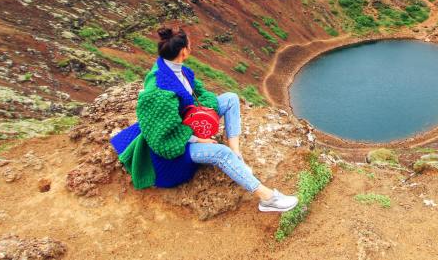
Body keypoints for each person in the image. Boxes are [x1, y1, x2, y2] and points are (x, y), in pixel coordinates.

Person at [110, 27, 298, 212]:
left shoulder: (179, 71)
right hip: (177, 149)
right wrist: (198, 138)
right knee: (221, 153)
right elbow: (162, 140)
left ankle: (237, 155)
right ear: (183, 51)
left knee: (231, 99)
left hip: (188, 122)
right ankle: (267, 199)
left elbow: (200, 93)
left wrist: (205, 113)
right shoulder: (159, 91)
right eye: (189, 44)